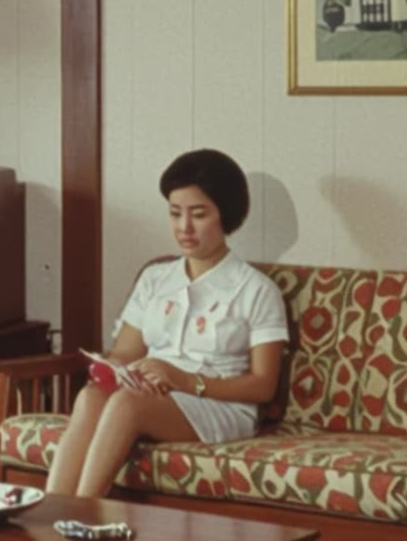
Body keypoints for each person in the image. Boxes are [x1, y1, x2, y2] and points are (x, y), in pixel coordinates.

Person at [45, 149, 288, 499]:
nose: (184, 228)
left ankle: (82, 515)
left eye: (199, 214)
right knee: (92, 396)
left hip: (219, 406)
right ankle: (52, 511)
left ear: (227, 216)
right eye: (175, 214)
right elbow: (126, 351)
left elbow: (263, 386)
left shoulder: (256, 289)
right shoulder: (156, 278)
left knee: (127, 404)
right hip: (152, 394)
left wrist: (186, 381)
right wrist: (115, 369)